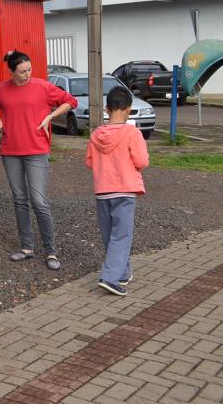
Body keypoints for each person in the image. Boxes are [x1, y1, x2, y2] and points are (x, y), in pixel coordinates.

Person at [0, 50, 77, 270]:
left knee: (39, 201)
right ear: (12, 71)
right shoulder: (1, 89)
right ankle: (27, 247)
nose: (27, 74)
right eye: (22, 71)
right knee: (19, 199)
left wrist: (51, 116)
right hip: (11, 151)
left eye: (29, 70)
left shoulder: (43, 87)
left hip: (36, 150)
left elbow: (70, 101)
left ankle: (51, 251)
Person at [86, 86, 149, 297]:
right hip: (124, 190)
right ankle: (110, 278)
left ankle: (122, 272)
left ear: (107, 109)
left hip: (102, 191)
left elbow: (89, 162)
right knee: (121, 236)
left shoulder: (96, 134)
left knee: (110, 235)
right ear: (129, 110)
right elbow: (141, 161)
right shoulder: (133, 133)